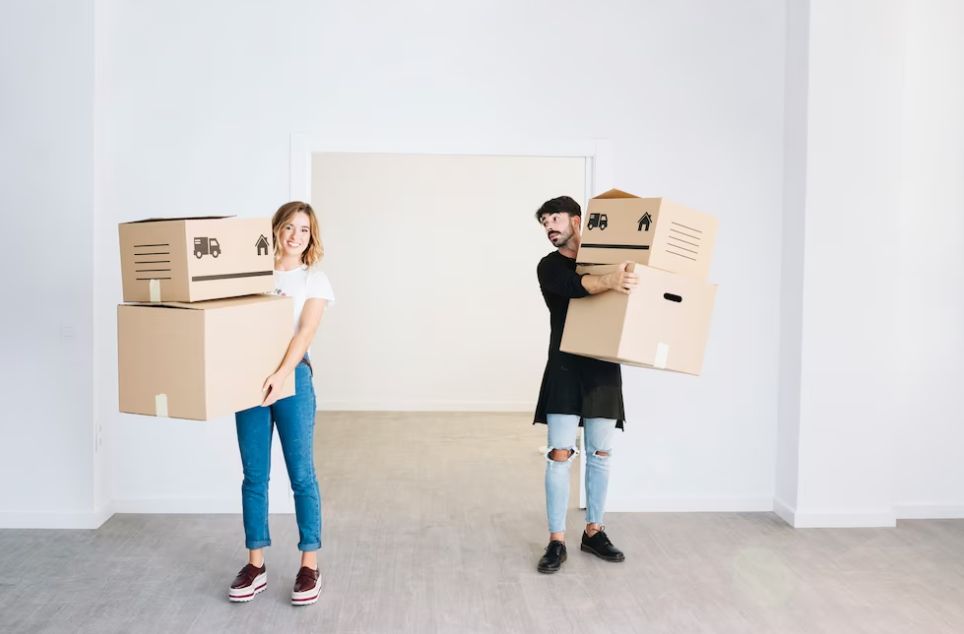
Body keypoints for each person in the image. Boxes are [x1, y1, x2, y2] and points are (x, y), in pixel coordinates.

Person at [228, 202, 335, 605]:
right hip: (248, 382)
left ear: (311, 237)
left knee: (302, 475)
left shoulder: (314, 280)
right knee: (254, 476)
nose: (295, 235)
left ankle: (309, 565)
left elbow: (305, 332)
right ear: (275, 230)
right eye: (289, 227)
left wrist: (280, 375)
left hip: (293, 379)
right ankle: (255, 565)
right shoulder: (249, 274)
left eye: (304, 230)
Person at [533, 195, 637, 574]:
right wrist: (613, 280)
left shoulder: (606, 257)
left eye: (554, 218)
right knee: (560, 453)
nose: (549, 227)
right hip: (564, 366)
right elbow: (580, 287)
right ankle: (556, 540)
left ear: (577, 220)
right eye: (544, 222)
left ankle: (594, 532)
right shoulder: (549, 267)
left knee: (601, 455)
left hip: (603, 368)